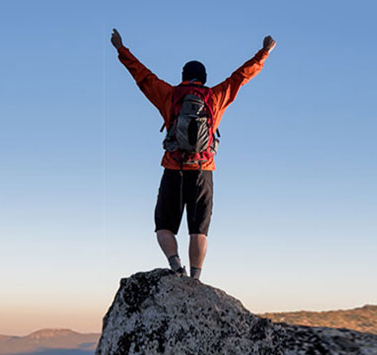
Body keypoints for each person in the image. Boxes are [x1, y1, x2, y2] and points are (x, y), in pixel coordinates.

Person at [111, 29, 274, 282]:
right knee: (199, 231)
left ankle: (177, 268)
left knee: (164, 227)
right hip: (203, 169)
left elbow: (142, 75)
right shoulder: (215, 96)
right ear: (204, 78)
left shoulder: (169, 94)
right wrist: (264, 53)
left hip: (173, 168)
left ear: (184, 77)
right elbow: (241, 77)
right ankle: (195, 280)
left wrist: (121, 49)